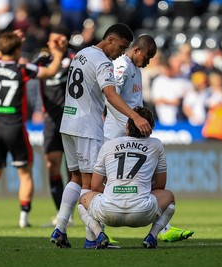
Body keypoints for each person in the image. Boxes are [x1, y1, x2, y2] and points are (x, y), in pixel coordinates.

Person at [50, 23, 152, 248]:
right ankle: (93, 237)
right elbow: (110, 95)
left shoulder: (82, 54)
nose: (121, 53)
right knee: (93, 185)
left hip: (67, 122)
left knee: (76, 179)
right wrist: (135, 117)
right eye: (121, 47)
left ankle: (60, 228)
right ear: (110, 40)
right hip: (87, 126)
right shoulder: (103, 62)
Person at [104, 34, 194, 242]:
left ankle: (164, 228)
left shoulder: (135, 68)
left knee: (149, 173)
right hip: (118, 132)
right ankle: (98, 232)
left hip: (133, 129)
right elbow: (110, 97)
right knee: (108, 180)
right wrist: (131, 120)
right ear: (136, 50)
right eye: (147, 56)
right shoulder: (122, 66)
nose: (148, 61)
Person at [0, 30, 67, 228]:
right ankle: (23, 219)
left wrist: (9, 39)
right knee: (25, 174)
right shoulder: (22, 69)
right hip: (15, 127)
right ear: (18, 50)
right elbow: (51, 71)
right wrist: (58, 52)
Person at [77, 106, 176, 249]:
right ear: (151, 127)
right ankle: (152, 237)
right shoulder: (156, 144)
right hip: (142, 213)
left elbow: (95, 185)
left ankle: (99, 235)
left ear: (127, 126)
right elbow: (161, 185)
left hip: (108, 212)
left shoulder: (109, 145)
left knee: (82, 200)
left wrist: (117, 192)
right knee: (169, 196)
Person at [31, 26, 75, 223]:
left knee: (73, 169)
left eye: (57, 40)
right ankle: (62, 214)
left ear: (65, 40)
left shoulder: (75, 59)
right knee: (52, 166)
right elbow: (30, 73)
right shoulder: (42, 60)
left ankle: (75, 211)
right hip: (50, 120)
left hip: (72, 121)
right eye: (51, 40)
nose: (53, 44)